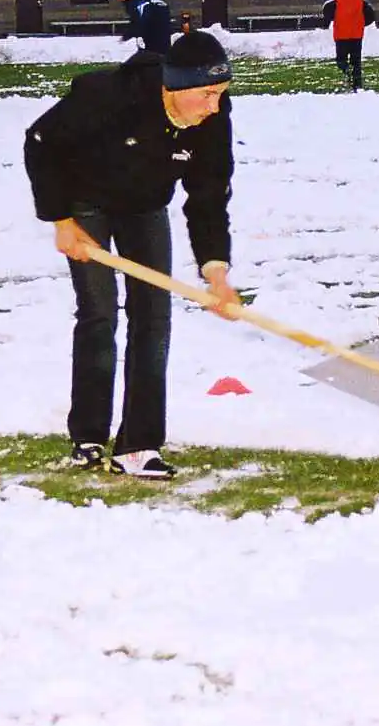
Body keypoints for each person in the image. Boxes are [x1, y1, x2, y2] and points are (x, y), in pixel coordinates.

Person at [24, 31, 242, 480]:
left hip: (144, 206)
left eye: (221, 94)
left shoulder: (212, 120)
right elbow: (41, 141)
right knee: (99, 313)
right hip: (85, 203)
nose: (214, 106)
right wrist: (61, 221)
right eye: (206, 94)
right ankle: (87, 434)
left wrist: (216, 273)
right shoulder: (110, 97)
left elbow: (207, 197)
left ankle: (139, 444)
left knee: (153, 317)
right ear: (174, 86)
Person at [322, 0, 377, 91]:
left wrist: (330, 21)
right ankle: (357, 85)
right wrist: (362, 23)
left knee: (341, 60)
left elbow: (326, 12)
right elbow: (370, 14)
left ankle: (347, 71)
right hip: (357, 35)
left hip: (341, 35)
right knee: (356, 61)